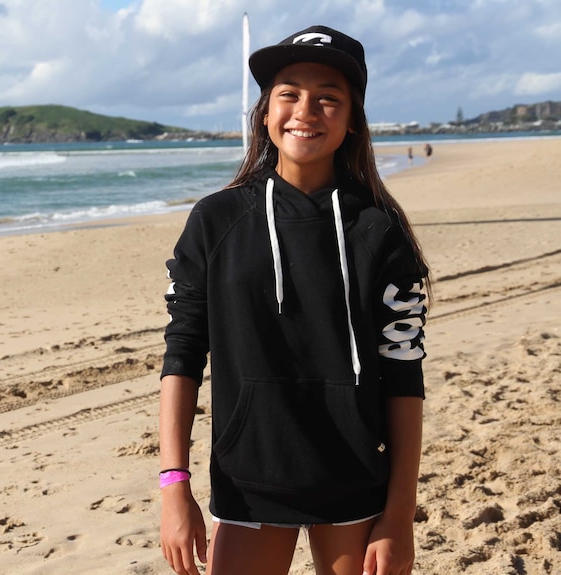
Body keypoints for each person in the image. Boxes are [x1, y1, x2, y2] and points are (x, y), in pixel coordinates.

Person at [159, 25, 430, 575]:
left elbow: (404, 376)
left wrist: (399, 514)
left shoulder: (380, 232)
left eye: (329, 97)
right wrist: (174, 486)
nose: (306, 110)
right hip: (249, 481)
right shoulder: (216, 222)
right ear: (264, 111)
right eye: (289, 93)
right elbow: (182, 355)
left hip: (356, 484)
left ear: (352, 119)